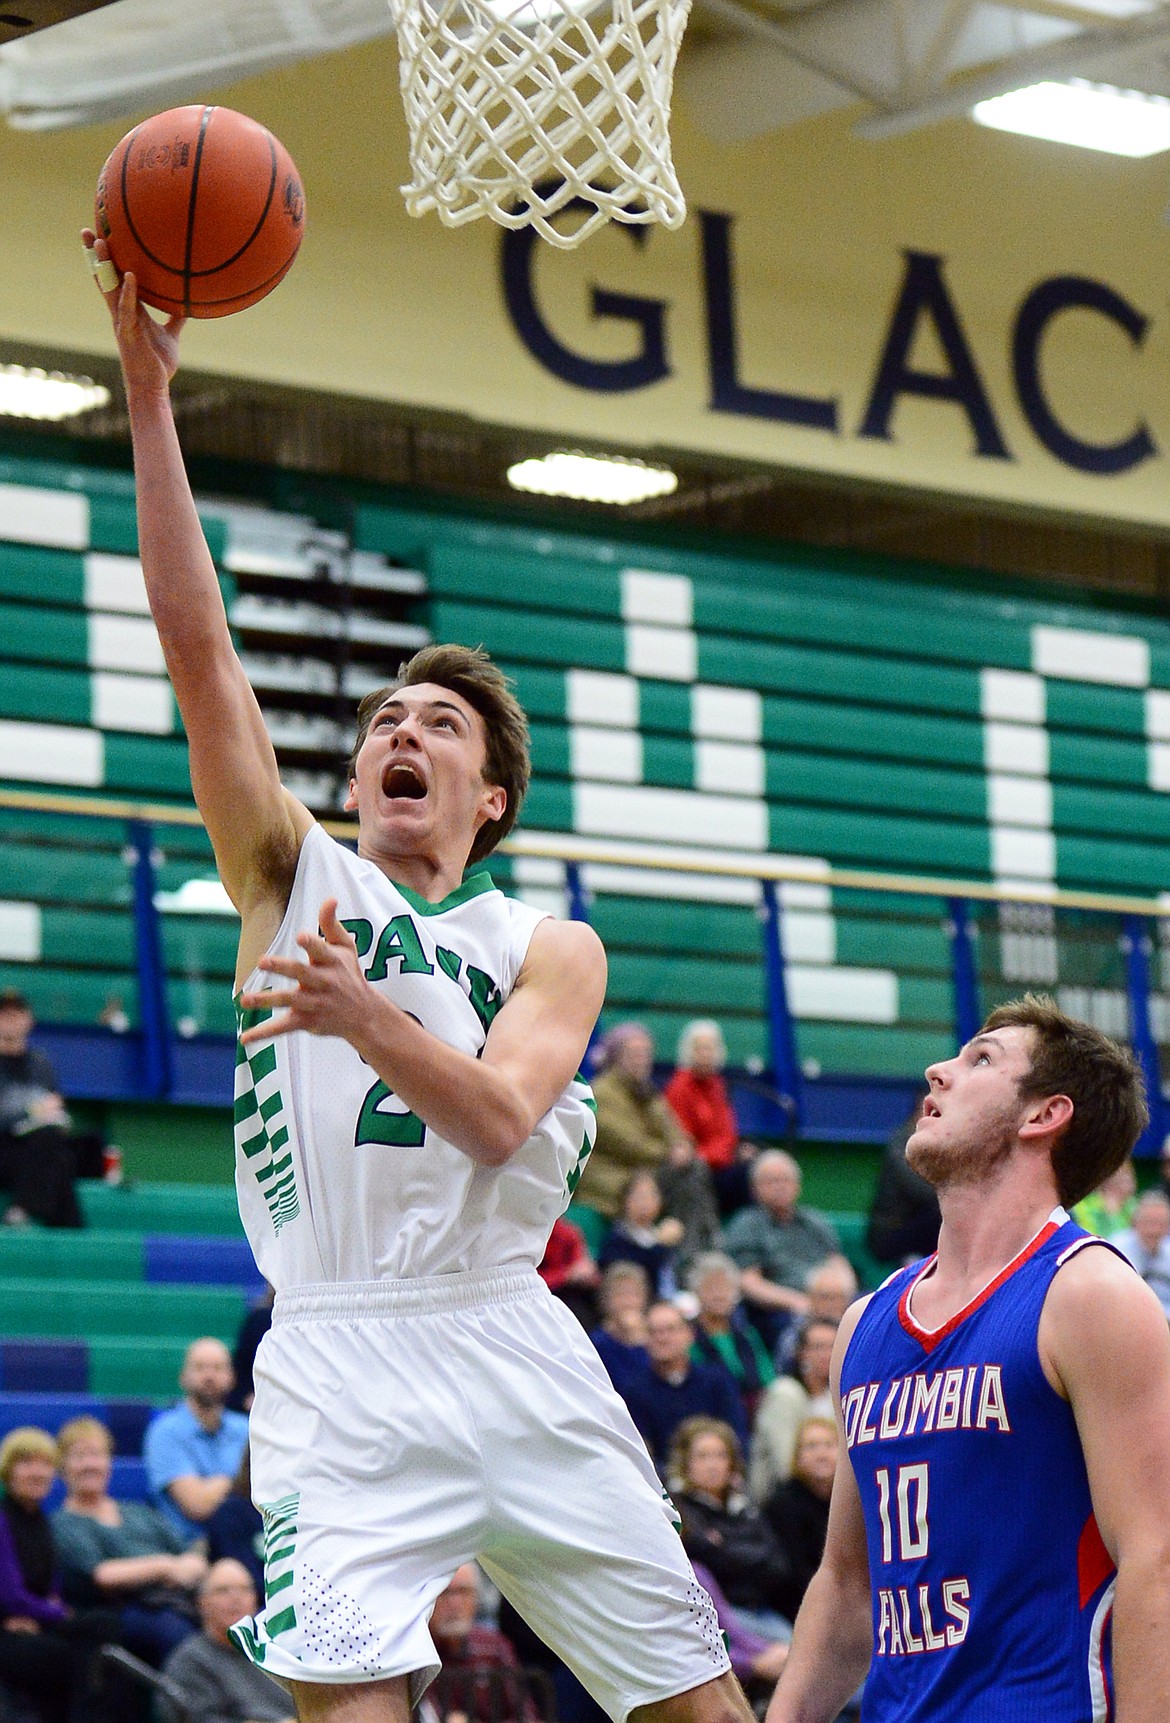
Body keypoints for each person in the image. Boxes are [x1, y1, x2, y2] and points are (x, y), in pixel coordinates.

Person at [86, 238, 746, 1723]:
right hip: (335, 1346)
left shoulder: (544, 939)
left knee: (699, 1707)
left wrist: (361, 1015)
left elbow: (505, 1116)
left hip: (507, 1330)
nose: (400, 726)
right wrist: (147, 403)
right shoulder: (289, 872)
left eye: (436, 720)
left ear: (487, 789)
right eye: (385, 712)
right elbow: (199, 647)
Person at [767, 994, 1170, 1723]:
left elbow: (1156, 1558)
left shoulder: (1090, 1295)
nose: (938, 1070)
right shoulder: (865, 1323)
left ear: (1043, 1114)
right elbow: (849, 1583)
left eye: (980, 1058)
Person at [53, 1416, 205, 1667]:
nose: (91, 1464)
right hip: (122, 1611)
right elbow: (104, 1575)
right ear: (62, 1467)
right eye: (80, 1456)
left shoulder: (138, 1512)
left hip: (178, 1601)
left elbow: (194, 1557)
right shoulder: (65, 1522)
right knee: (177, 1635)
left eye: (98, 1455)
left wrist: (182, 1567)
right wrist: (166, 1567)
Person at [0, 1427, 120, 1723]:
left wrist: (51, 1611)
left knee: (104, 1625)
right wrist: (57, 1614)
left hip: (38, 1620)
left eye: (44, 1464)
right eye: (26, 1463)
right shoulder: (3, 1519)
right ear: (8, 1472)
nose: (37, 1472)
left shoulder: (42, 1520)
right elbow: (11, 1596)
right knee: (71, 1657)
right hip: (7, 1626)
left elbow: (52, 1586)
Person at [668, 1419, 797, 1640]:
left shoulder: (745, 1507)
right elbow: (705, 1559)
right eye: (702, 1456)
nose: (713, 1465)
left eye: (720, 1455)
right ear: (686, 1463)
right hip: (715, 1615)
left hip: (762, 1610)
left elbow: (779, 1566)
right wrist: (748, 1553)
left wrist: (724, 1546)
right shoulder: (679, 1509)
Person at [721, 1153, 841, 1348]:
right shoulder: (746, 1225)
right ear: (754, 1189)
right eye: (771, 1181)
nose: (780, 1187)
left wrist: (836, 1298)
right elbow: (749, 1282)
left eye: (786, 1180)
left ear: (798, 1185)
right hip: (779, 1311)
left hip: (827, 1300)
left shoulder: (814, 1221)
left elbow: (838, 1265)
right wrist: (798, 1302)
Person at [159, 1560, 294, 1723]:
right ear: (201, 1602)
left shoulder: (274, 1651)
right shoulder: (190, 1661)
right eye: (223, 1591)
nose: (235, 1598)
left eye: (244, 1590)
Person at [142, 1339, 249, 1541]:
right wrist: (237, 1479)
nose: (209, 1376)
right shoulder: (164, 1432)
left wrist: (218, 1486)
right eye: (200, 1367)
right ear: (183, 1377)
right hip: (187, 1549)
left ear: (231, 1377)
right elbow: (197, 1506)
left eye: (217, 1368)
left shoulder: (247, 1429)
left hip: (244, 1541)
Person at [572, 1024, 681, 1223]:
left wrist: (680, 1147)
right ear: (616, 1057)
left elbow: (672, 1129)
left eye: (646, 1054)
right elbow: (629, 1145)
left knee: (692, 1168)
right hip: (608, 1175)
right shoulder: (602, 1093)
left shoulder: (647, 1093)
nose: (643, 1060)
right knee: (682, 1177)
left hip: (643, 1170)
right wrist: (669, 1153)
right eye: (635, 1054)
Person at [0, 991, 91, 1229]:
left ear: (29, 1020)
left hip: (33, 1149)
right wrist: (33, 1110)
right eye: (4, 1014)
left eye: (17, 1013)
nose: (10, 1019)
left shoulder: (41, 1064)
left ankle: (25, 1211)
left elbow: (53, 1105)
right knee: (57, 1158)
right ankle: (28, 1212)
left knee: (60, 1151)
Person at [622, 1302, 749, 1470]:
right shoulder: (634, 1391)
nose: (662, 1338)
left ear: (689, 1334)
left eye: (670, 1330)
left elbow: (736, 1437)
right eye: (653, 1332)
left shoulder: (717, 1381)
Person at [428, 1564, 535, 1723]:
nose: (454, 1603)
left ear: (476, 1598)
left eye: (463, 1592)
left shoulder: (494, 1647)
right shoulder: (417, 1652)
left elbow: (527, 1716)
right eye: (444, 1593)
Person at [748, 1318, 837, 1507]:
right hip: (782, 1502)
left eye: (833, 1347)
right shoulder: (784, 1393)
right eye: (818, 1347)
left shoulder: (836, 1396)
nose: (826, 1354)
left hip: (827, 1495)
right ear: (801, 1353)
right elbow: (785, 1466)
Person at [664, 1023, 749, 1216]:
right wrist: (712, 1155)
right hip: (699, 1167)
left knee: (756, 1167)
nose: (705, 1054)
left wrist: (727, 1152)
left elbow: (727, 1132)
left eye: (710, 1048)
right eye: (699, 1048)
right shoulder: (679, 1088)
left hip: (722, 1161)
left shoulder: (718, 1085)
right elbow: (681, 1137)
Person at [760, 1418, 838, 1619]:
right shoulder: (782, 1504)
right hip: (796, 1606)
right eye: (811, 1447)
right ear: (797, 1457)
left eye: (828, 1445)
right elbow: (793, 1573)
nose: (821, 1454)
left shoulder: (851, 1499)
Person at [687, 1253, 775, 1425]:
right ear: (697, 1293)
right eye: (711, 1288)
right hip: (709, 1416)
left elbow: (767, 1380)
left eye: (725, 1288)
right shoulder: (689, 1336)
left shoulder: (748, 1335)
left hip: (753, 1415)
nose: (719, 1294)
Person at [864, 1106, 940, 1267]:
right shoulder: (901, 1145)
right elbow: (923, 1191)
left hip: (917, 1225)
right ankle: (916, 1263)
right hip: (890, 1233)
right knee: (942, 1209)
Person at [598, 1171, 682, 1299]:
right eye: (639, 1196)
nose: (645, 1202)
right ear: (626, 1200)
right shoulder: (617, 1238)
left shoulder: (661, 1232)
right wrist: (660, 1245)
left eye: (651, 1196)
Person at [587, 1262, 652, 1397]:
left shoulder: (656, 1337)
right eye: (620, 1294)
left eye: (634, 1294)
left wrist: (639, 1338)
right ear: (606, 1299)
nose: (627, 1302)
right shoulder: (596, 1343)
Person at [536, 1214, 601, 1331]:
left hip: (566, 1296)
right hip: (535, 1296)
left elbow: (582, 1267)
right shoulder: (527, 1235)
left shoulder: (567, 1232)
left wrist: (587, 1274)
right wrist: (565, 1276)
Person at [1113, 1189, 1170, 1319]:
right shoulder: (1118, 1250)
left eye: (1161, 1224)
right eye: (1149, 1222)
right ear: (1135, 1222)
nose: (1154, 1230)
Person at [1073, 1157, 1138, 1241]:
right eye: (1124, 1178)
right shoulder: (1085, 1206)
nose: (1131, 1183)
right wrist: (1112, 1215)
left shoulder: (1133, 1206)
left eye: (1130, 1176)